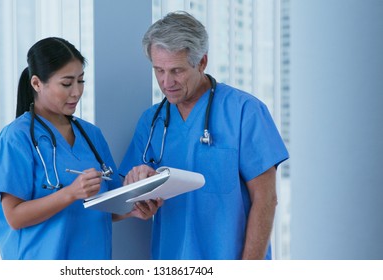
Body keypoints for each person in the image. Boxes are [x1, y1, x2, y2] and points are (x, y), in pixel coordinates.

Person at [119, 11, 289, 260]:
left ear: (202, 62)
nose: (167, 82)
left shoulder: (245, 112)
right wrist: (137, 188)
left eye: (177, 70)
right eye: (159, 70)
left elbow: (266, 199)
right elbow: (127, 197)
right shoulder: (152, 121)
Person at [0, 37, 159, 260]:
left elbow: (101, 206)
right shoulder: (16, 137)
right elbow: (14, 216)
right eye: (66, 83)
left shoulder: (91, 135)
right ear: (36, 84)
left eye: (80, 81)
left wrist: (129, 210)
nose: (76, 92)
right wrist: (70, 193)